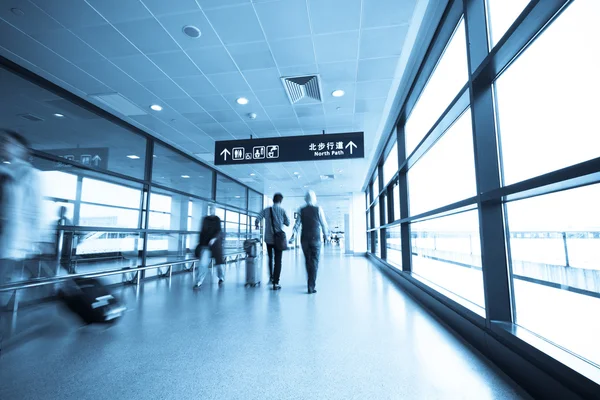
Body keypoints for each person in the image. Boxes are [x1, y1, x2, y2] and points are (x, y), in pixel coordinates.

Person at [0, 129, 42, 284]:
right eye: (2, 141)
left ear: (21, 149)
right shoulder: (5, 170)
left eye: (7, 142)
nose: (2, 145)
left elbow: (35, 210)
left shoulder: (28, 174)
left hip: (11, 238)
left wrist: (34, 240)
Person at [289, 190, 329, 294]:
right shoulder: (318, 209)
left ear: (305, 199)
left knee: (308, 260)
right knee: (314, 261)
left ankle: (310, 281)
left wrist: (293, 236)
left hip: (304, 238)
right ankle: (311, 285)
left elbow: (297, 224)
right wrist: (326, 235)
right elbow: (323, 224)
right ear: (314, 198)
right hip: (315, 238)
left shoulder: (301, 210)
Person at [255, 193, 290, 290]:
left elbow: (258, 218)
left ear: (273, 200)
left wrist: (257, 224)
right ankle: (276, 282)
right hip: (278, 239)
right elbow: (288, 223)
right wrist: (281, 220)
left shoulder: (266, 210)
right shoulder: (282, 210)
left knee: (270, 258)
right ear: (280, 201)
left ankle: (271, 277)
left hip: (268, 239)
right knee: (278, 260)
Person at [193, 204, 225, 290]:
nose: (212, 210)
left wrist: (214, 239)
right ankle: (198, 282)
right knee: (203, 264)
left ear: (215, 210)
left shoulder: (217, 219)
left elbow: (219, 231)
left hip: (216, 245)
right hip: (205, 245)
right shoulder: (205, 219)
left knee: (219, 265)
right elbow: (202, 231)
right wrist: (200, 244)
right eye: (211, 209)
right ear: (209, 210)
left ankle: (221, 277)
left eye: (213, 209)